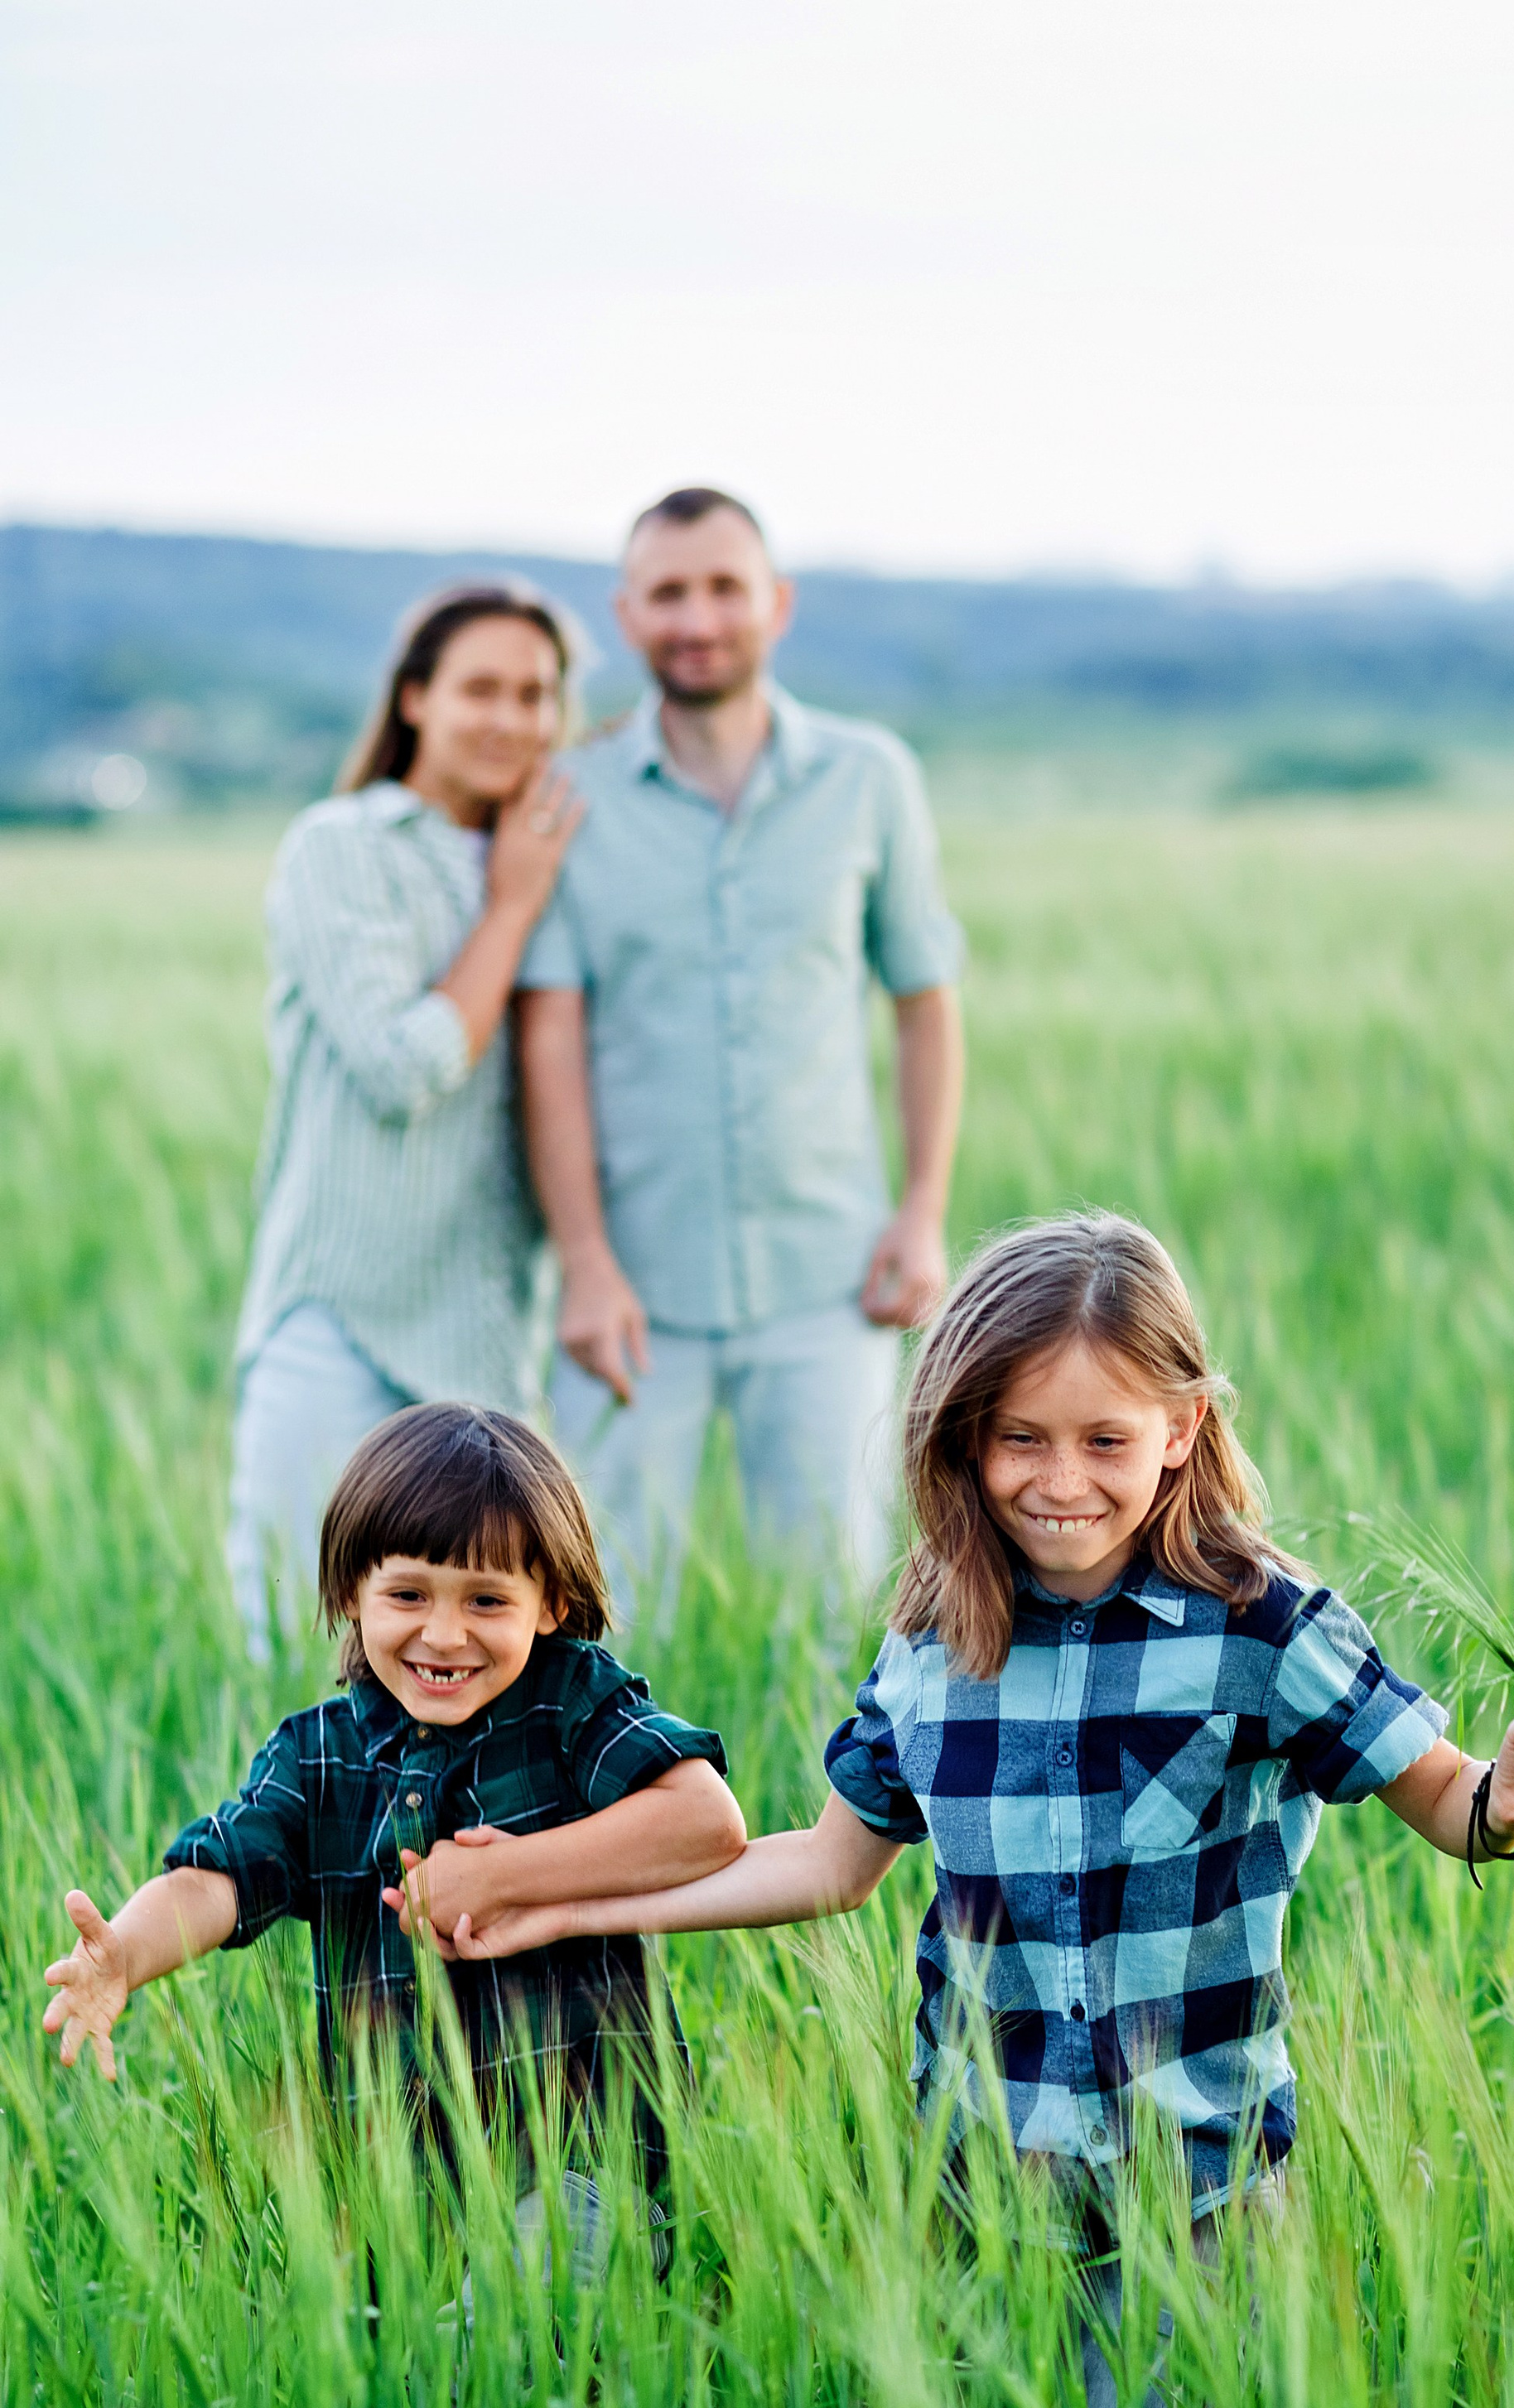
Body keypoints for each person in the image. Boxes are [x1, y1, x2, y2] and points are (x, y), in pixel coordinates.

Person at [430, 1214, 1514, 2408]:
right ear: (964, 1439)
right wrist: (556, 1900)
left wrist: (1510, 1798)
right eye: (1020, 1440)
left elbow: (1450, 1801)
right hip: (989, 2189)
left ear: (1183, 1428)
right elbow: (827, 1865)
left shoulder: (1260, 1626)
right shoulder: (937, 1635)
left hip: (1198, 2189)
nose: (1061, 1480)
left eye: (1107, 1440)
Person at [45, 1405, 745, 2251]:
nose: (443, 1634)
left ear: (552, 1603)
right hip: (396, 2201)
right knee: (420, 2374)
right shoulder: (317, 1756)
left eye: (487, 1600)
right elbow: (219, 1877)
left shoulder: (571, 1706)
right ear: (352, 1594)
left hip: (583, 2168)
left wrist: (505, 1876)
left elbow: (704, 1821)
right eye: (408, 1594)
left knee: (533, 2333)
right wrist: (126, 1949)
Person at [514, 484, 967, 1625]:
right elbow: (551, 1039)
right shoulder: (569, 795)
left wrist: (921, 1211)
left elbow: (923, 1000)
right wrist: (583, 1261)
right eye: (669, 593)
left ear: (778, 604)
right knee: (608, 1615)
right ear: (627, 614)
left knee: (839, 1613)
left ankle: (829, 1816)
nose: (697, 617)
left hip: (830, 1278)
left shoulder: (871, 780)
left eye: (724, 587)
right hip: (632, 1290)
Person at [228, 585, 586, 1655]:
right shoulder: (343, 846)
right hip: (336, 1312)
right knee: (292, 1641)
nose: (510, 720)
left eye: (536, 695)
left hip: (484, 1330)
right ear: (417, 698)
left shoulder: (560, 853)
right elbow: (402, 1064)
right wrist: (512, 907)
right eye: (481, 688)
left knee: (476, 1665)